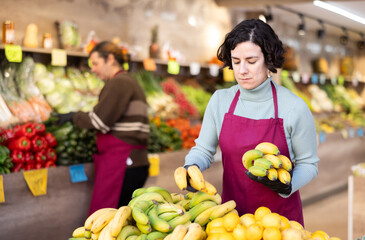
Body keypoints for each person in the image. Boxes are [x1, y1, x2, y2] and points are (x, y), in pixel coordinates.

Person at [182, 19, 319, 225]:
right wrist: (191, 167)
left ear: (269, 60)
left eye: (251, 61)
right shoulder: (220, 101)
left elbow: (309, 164)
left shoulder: (294, 107)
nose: (242, 70)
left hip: (280, 223)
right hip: (231, 220)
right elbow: (203, 149)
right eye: (236, 61)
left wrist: (288, 185)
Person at [57, 41, 150, 214]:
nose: (92, 69)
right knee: (122, 219)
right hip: (133, 162)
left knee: (107, 219)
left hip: (123, 162)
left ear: (110, 59)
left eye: (95, 63)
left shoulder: (119, 83)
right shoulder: (129, 81)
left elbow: (99, 122)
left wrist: (74, 116)